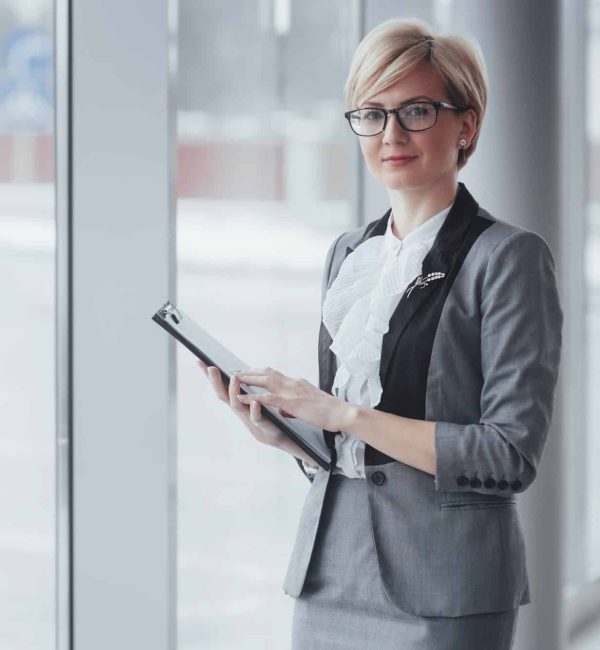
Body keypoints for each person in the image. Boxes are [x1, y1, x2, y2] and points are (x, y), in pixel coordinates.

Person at [197, 16, 563, 650]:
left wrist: (340, 412)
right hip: (329, 572)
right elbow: (353, 445)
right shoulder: (350, 254)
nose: (390, 133)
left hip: (445, 584)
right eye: (371, 113)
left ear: (466, 124)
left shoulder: (508, 257)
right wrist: (288, 432)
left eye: (416, 111)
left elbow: (508, 454)